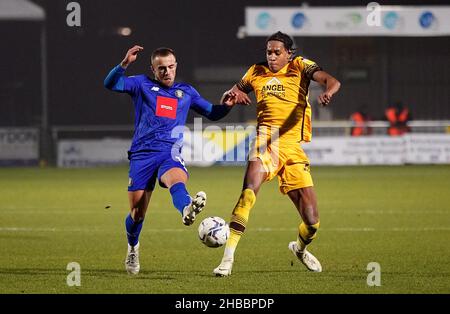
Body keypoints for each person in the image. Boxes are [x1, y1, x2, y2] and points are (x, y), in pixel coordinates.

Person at [213, 31, 341, 276]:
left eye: (276, 52)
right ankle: (227, 259)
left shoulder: (300, 66)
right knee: (248, 194)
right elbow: (226, 98)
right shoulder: (255, 72)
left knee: (312, 222)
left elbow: (332, 81)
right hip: (265, 142)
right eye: (268, 52)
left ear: (288, 53)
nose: (271, 57)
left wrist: (328, 93)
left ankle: (300, 249)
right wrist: (232, 97)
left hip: (292, 147)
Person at [104, 45, 240, 275]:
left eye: (170, 67)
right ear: (153, 69)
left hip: (170, 151)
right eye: (161, 68)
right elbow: (110, 84)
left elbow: (212, 112)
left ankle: (187, 208)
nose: (167, 72)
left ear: (176, 66)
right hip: (142, 154)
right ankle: (133, 248)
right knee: (137, 213)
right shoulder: (140, 84)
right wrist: (124, 64)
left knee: (176, 181)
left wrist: (226, 106)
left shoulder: (186, 92)